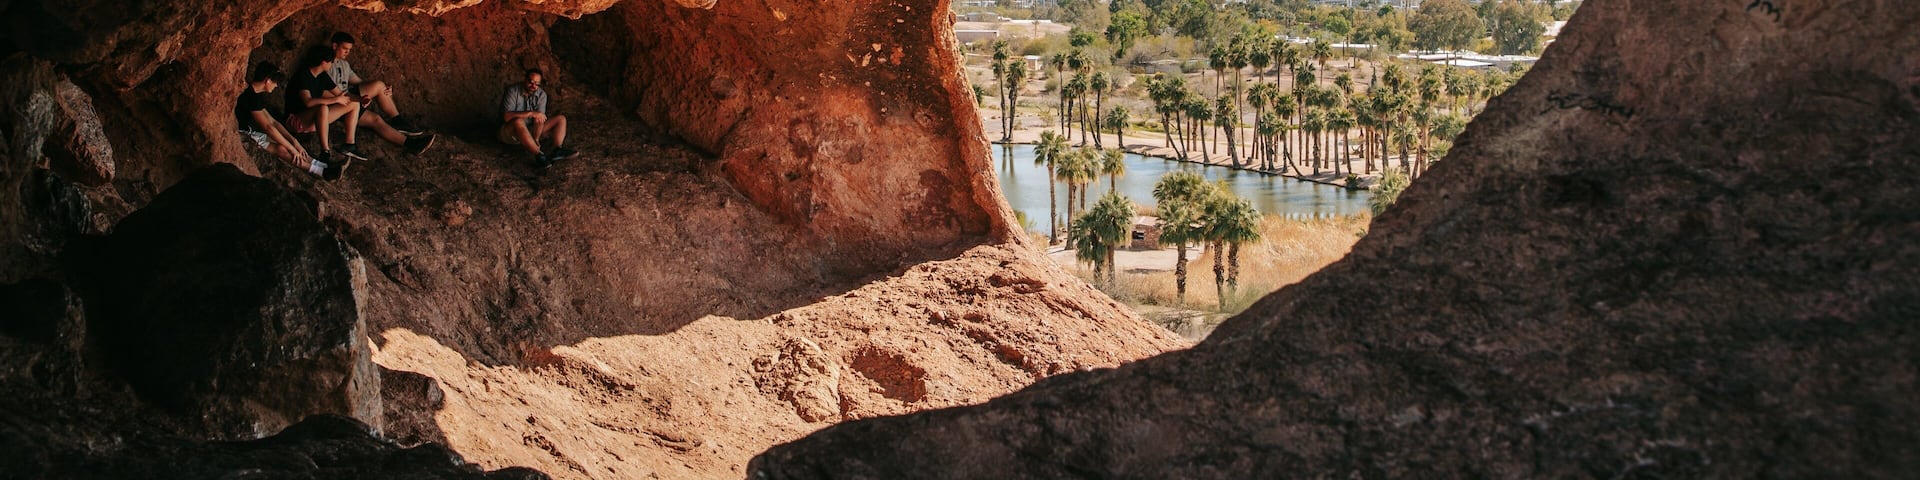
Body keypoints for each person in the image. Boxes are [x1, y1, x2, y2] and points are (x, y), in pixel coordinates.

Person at [327, 32, 436, 156]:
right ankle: (404, 132)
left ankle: (406, 135)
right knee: (376, 105)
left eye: (349, 50)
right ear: (334, 46)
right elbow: (325, 92)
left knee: (377, 100)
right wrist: (358, 97)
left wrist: (383, 90)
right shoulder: (325, 63)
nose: (347, 52)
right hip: (338, 104)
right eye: (345, 49)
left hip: (348, 99)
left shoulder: (344, 64)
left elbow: (359, 83)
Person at [237, 61, 346, 180]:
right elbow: (267, 127)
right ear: (267, 80)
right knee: (281, 148)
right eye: (275, 82)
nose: (276, 86)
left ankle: (325, 166)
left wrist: (294, 142)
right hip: (242, 133)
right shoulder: (250, 96)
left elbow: (273, 122)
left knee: (288, 145)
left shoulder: (256, 95)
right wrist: (291, 148)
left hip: (249, 131)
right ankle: (322, 172)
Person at [286, 45, 367, 161]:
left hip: (317, 120)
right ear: (323, 62)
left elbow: (342, 94)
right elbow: (308, 102)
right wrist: (334, 100)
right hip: (296, 120)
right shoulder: (303, 75)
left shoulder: (322, 76)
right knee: (323, 108)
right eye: (331, 62)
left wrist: (361, 99)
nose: (332, 64)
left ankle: (349, 145)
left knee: (353, 104)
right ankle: (325, 152)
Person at [500, 68, 575, 168]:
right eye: (531, 82)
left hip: (528, 131)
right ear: (524, 79)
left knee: (561, 119)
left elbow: (539, 119)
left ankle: (558, 150)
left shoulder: (541, 95)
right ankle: (539, 155)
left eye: (537, 84)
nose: (533, 86)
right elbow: (507, 117)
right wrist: (530, 113)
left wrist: (536, 138)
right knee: (518, 121)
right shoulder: (512, 91)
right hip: (509, 132)